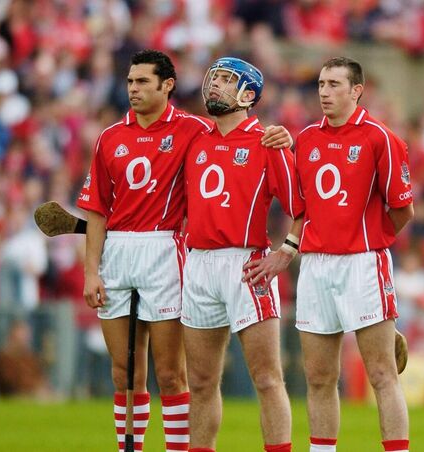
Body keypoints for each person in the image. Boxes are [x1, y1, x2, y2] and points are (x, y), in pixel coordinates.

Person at [76, 49, 291, 452]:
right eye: (130, 81)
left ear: (167, 86)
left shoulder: (195, 130)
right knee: (126, 370)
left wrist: (285, 137)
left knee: (181, 374)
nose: (133, 89)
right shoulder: (114, 136)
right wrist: (92, 270)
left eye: (142, 81)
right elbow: (98, 209)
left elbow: (245, 136)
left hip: (180, 252)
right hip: (137, 254)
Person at [249, 56, 413, 452]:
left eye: (334, 84)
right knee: (319, 377)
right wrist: (287, 249)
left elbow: (402, 208)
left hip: (363, 264)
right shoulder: (305, 139)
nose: (324, 92)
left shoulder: (380, 138)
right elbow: (303, 210)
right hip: (316, 267)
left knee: (381, 373)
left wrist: (370, 241)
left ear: (357, 90)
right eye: (321, 84)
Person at [180, 57, 303, 452]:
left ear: (249, 95)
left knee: (267, 378)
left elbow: (301, 207)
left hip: (245, 263)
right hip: (197, 263)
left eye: (227, 81)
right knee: (199, 382)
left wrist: (287, 250)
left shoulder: (267, 141)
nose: (215, 86)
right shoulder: (195, 139)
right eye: (213, 79)